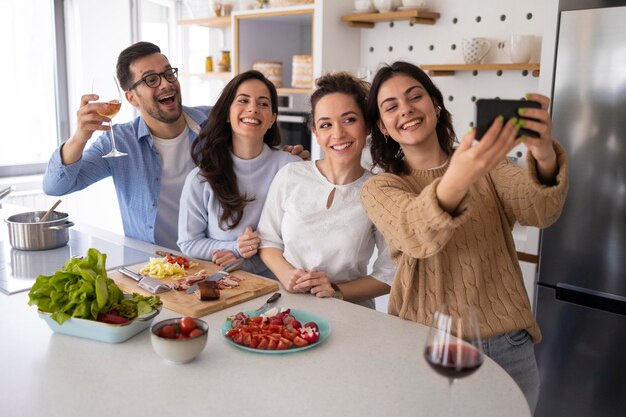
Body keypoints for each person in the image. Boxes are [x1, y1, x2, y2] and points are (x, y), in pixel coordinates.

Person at [359, 61, 568, 412]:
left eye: (415, 97)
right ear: (382, 126)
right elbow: (416, 233)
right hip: (426, 346)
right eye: (391, 106)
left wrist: (543, 152)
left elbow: (540, 211)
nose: (406, 110)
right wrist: (459, 176)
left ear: (435, 105)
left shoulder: (489, 166)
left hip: (509, 349)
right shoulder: (381, 187)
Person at [42, 41, 307, 250]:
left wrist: (287, 160)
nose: (167, 83)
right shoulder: (119, 142)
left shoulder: (214, 121)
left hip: (215, 260)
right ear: (131, 98)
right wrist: (79, 137)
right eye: (151, 79)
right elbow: (57, 186)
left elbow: (256, 150)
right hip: (154, 266)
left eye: (168, 73)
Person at [256, 72, 395, 309]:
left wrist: (337, 291)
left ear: (367, 126)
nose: (338, 134)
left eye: (349, 120)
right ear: (316, 133)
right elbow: (268, 240)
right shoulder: (291, 175)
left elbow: (391, 273)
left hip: (351, 315)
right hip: (287, 309)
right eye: (326, 124)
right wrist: (287, 275)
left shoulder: (380, 191)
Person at [177, 70, 301, 277]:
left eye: (263, 104)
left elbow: (303, 239)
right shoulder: (201, 179)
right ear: (227, 113)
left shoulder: (292, 168)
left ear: (272, 119)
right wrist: (234, 247)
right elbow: (189, 243)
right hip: (229, 287)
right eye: (243, 100)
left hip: (284, 285)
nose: (253, 109)